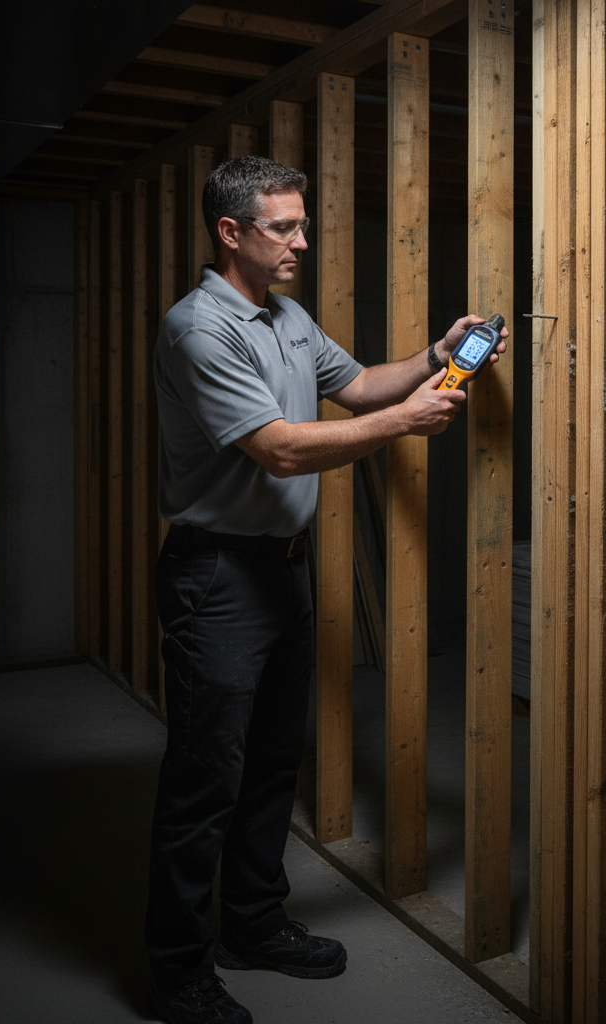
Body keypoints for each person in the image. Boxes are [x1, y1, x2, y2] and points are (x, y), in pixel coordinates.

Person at [145, 154, 508, 1024]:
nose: (302, 240)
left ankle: (254, 925)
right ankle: (176, 974)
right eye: (284, 226)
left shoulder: (289, 317)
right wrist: (404, 425)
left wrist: (434, 357)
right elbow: (277, 447)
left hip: (282, 570)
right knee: (206, 782)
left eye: (304, 223)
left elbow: (353, 389)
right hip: (217, 577)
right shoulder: (200, 329)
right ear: (230, 232)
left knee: (272, 764)